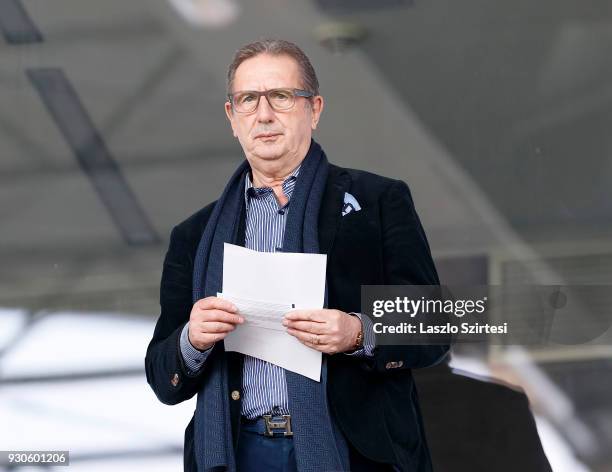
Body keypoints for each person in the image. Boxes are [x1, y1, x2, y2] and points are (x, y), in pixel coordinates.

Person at [145, 38, 448, 472]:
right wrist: (192, 339)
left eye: (281, 96)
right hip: (237, 454)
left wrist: (358, 332)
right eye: (248, 99)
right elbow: (162, 376)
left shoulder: (377, 201)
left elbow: (434, 323)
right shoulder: (194, 236)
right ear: (232, 117)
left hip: (354, 452)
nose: (264, 114)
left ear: (315, 109)